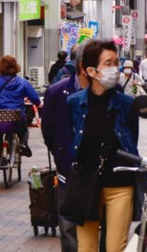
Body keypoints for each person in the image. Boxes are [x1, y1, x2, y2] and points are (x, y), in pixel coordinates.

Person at [63, 40, 147, 252]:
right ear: (91, 71)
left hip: (120, 184)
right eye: (108, 63)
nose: (115, 69)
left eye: (116, 62)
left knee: (115, 247)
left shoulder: (126, 104)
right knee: (86, 247)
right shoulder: (74, 103)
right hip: (86, 182)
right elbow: (71, 139)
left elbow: (131, 142)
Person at [41, 42, 88, 252]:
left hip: (100, 166)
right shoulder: (57, 92)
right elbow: (48, 129)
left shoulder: (110, 92)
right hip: (68, 164)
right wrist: (61, 153)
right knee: (68, 222)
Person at [0, 55, 41, 164]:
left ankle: (0, 158)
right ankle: (23, 144)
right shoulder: (23, 82)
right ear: (16, 66)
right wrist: (37, 103)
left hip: (1, 115)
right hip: (17, 115)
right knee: (24, 130)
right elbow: (34, 98)